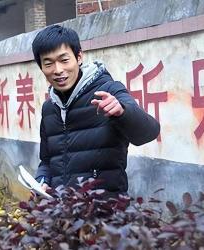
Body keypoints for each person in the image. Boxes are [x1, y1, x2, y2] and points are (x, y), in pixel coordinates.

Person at [32, 25, 160, 197]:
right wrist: (42, 181)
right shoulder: (49, 108)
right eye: (48, 64)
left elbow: (149, 133)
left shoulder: (109, 91)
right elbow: (47, 161)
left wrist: (122, 112)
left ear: (79, 57)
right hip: (61, 215)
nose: (58, 70)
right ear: (41, 67)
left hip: (105, 214)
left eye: (64, 60)